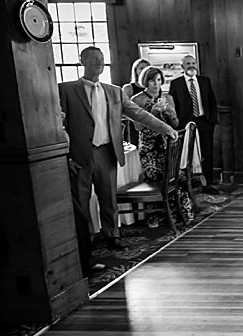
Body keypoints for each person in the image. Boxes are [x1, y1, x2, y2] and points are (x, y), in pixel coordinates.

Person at [58, 46, 178, 275]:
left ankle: (113, 235)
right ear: (82, 61)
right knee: (80, 205)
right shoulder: (66, 89)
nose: (99, 63)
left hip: (106, 152)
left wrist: (164, 128)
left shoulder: (113, 92)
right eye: (94, 59)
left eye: (102, 59)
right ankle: (84, 248)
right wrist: (67, 156)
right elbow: (57, 125)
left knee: (109, 197)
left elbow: (139, 114)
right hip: (80, 156)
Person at [131, 67, 192, 227]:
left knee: (176, 177)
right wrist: (151, 111)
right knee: (155, 180)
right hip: (149, 147)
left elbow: (176, 123)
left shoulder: (167, 97)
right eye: (152, 80)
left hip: (167, 146)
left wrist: (170, 114)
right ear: (145, 81)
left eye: (159, 80)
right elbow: (137, 127)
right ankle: (156, 215)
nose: (156, 84)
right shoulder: (137, 100)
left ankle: (178, 212)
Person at [169, 54, 220, 194]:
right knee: (187, 153)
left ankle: (207, 183)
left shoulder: (204, 81)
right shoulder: (176, 83)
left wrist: (212, 120)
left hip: (204, 121)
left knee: (207, 153)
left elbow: (212, 101)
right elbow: (173, 105)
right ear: (182, 67)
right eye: (187, 64)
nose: (191, 66)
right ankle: (186, 183)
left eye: (193, 63)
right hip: (185, 124)